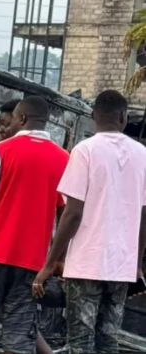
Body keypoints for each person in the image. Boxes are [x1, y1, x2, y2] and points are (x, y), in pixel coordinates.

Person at [33, 90, 146, 354]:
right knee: (109, 339)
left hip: (86, 264)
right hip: (121, 266)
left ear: (93, 115)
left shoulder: (85, 150)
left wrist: (50, 263)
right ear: (124, 117)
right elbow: (143, 215)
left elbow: (72, 213)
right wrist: (137, 263)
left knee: (80, 343)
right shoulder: (142, 154)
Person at [0, 96, 69, 354]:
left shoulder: (2, 150)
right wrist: (58, 259)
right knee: (19, 336)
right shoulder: (63, 158)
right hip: (32, 263)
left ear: (22, 118)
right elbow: (65, 214)